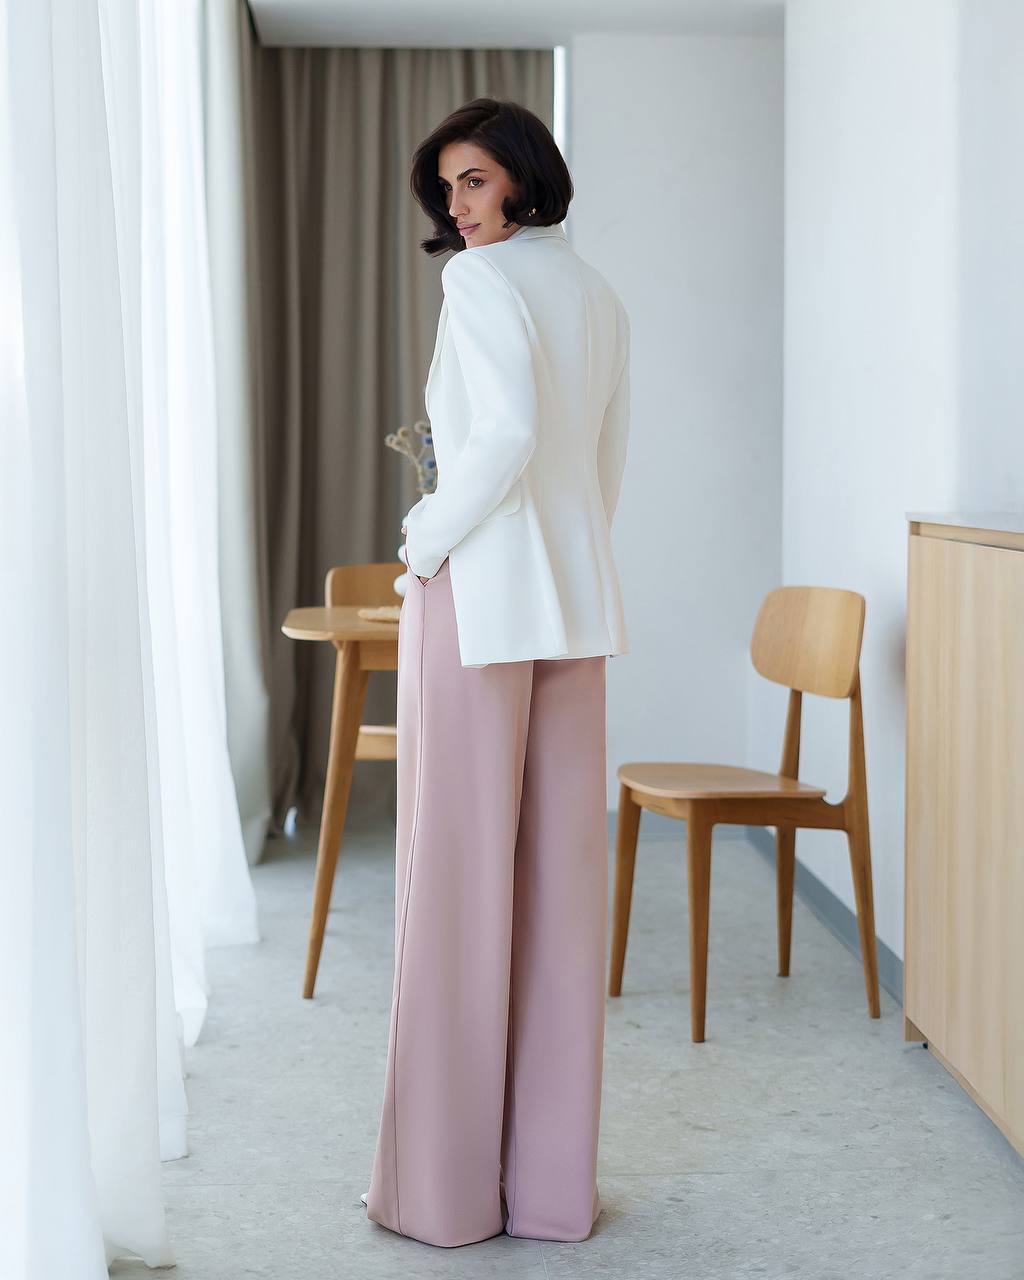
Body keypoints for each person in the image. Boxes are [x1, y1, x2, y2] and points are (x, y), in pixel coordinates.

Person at [363, 96, 631, 1249]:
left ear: (521, 178)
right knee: (559, 903)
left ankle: (440, 1194)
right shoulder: (596, 293)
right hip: (574, 605)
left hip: (480, 597)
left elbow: (505, 435)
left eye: (473, 181)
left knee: (455, 893)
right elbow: (600, 458)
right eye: (448, 187)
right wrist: (564, 554)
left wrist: (424, 539)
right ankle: (553, 1194)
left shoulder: (480, 284)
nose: (456, 205)